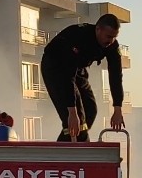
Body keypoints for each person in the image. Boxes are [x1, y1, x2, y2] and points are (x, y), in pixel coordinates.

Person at [40, 14, 126, 142]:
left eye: (114, 37)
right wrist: (72, 112)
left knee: (90, 110)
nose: (111, 41)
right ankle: (69, 152)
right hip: (56, 67)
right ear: (98, 30)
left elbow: (116, 75)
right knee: (76, 117)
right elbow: (67, 74)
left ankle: (75, 143)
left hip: (78, 68)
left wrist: (117, 108)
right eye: (108, 36)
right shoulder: (79, 37)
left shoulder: (112, 46)